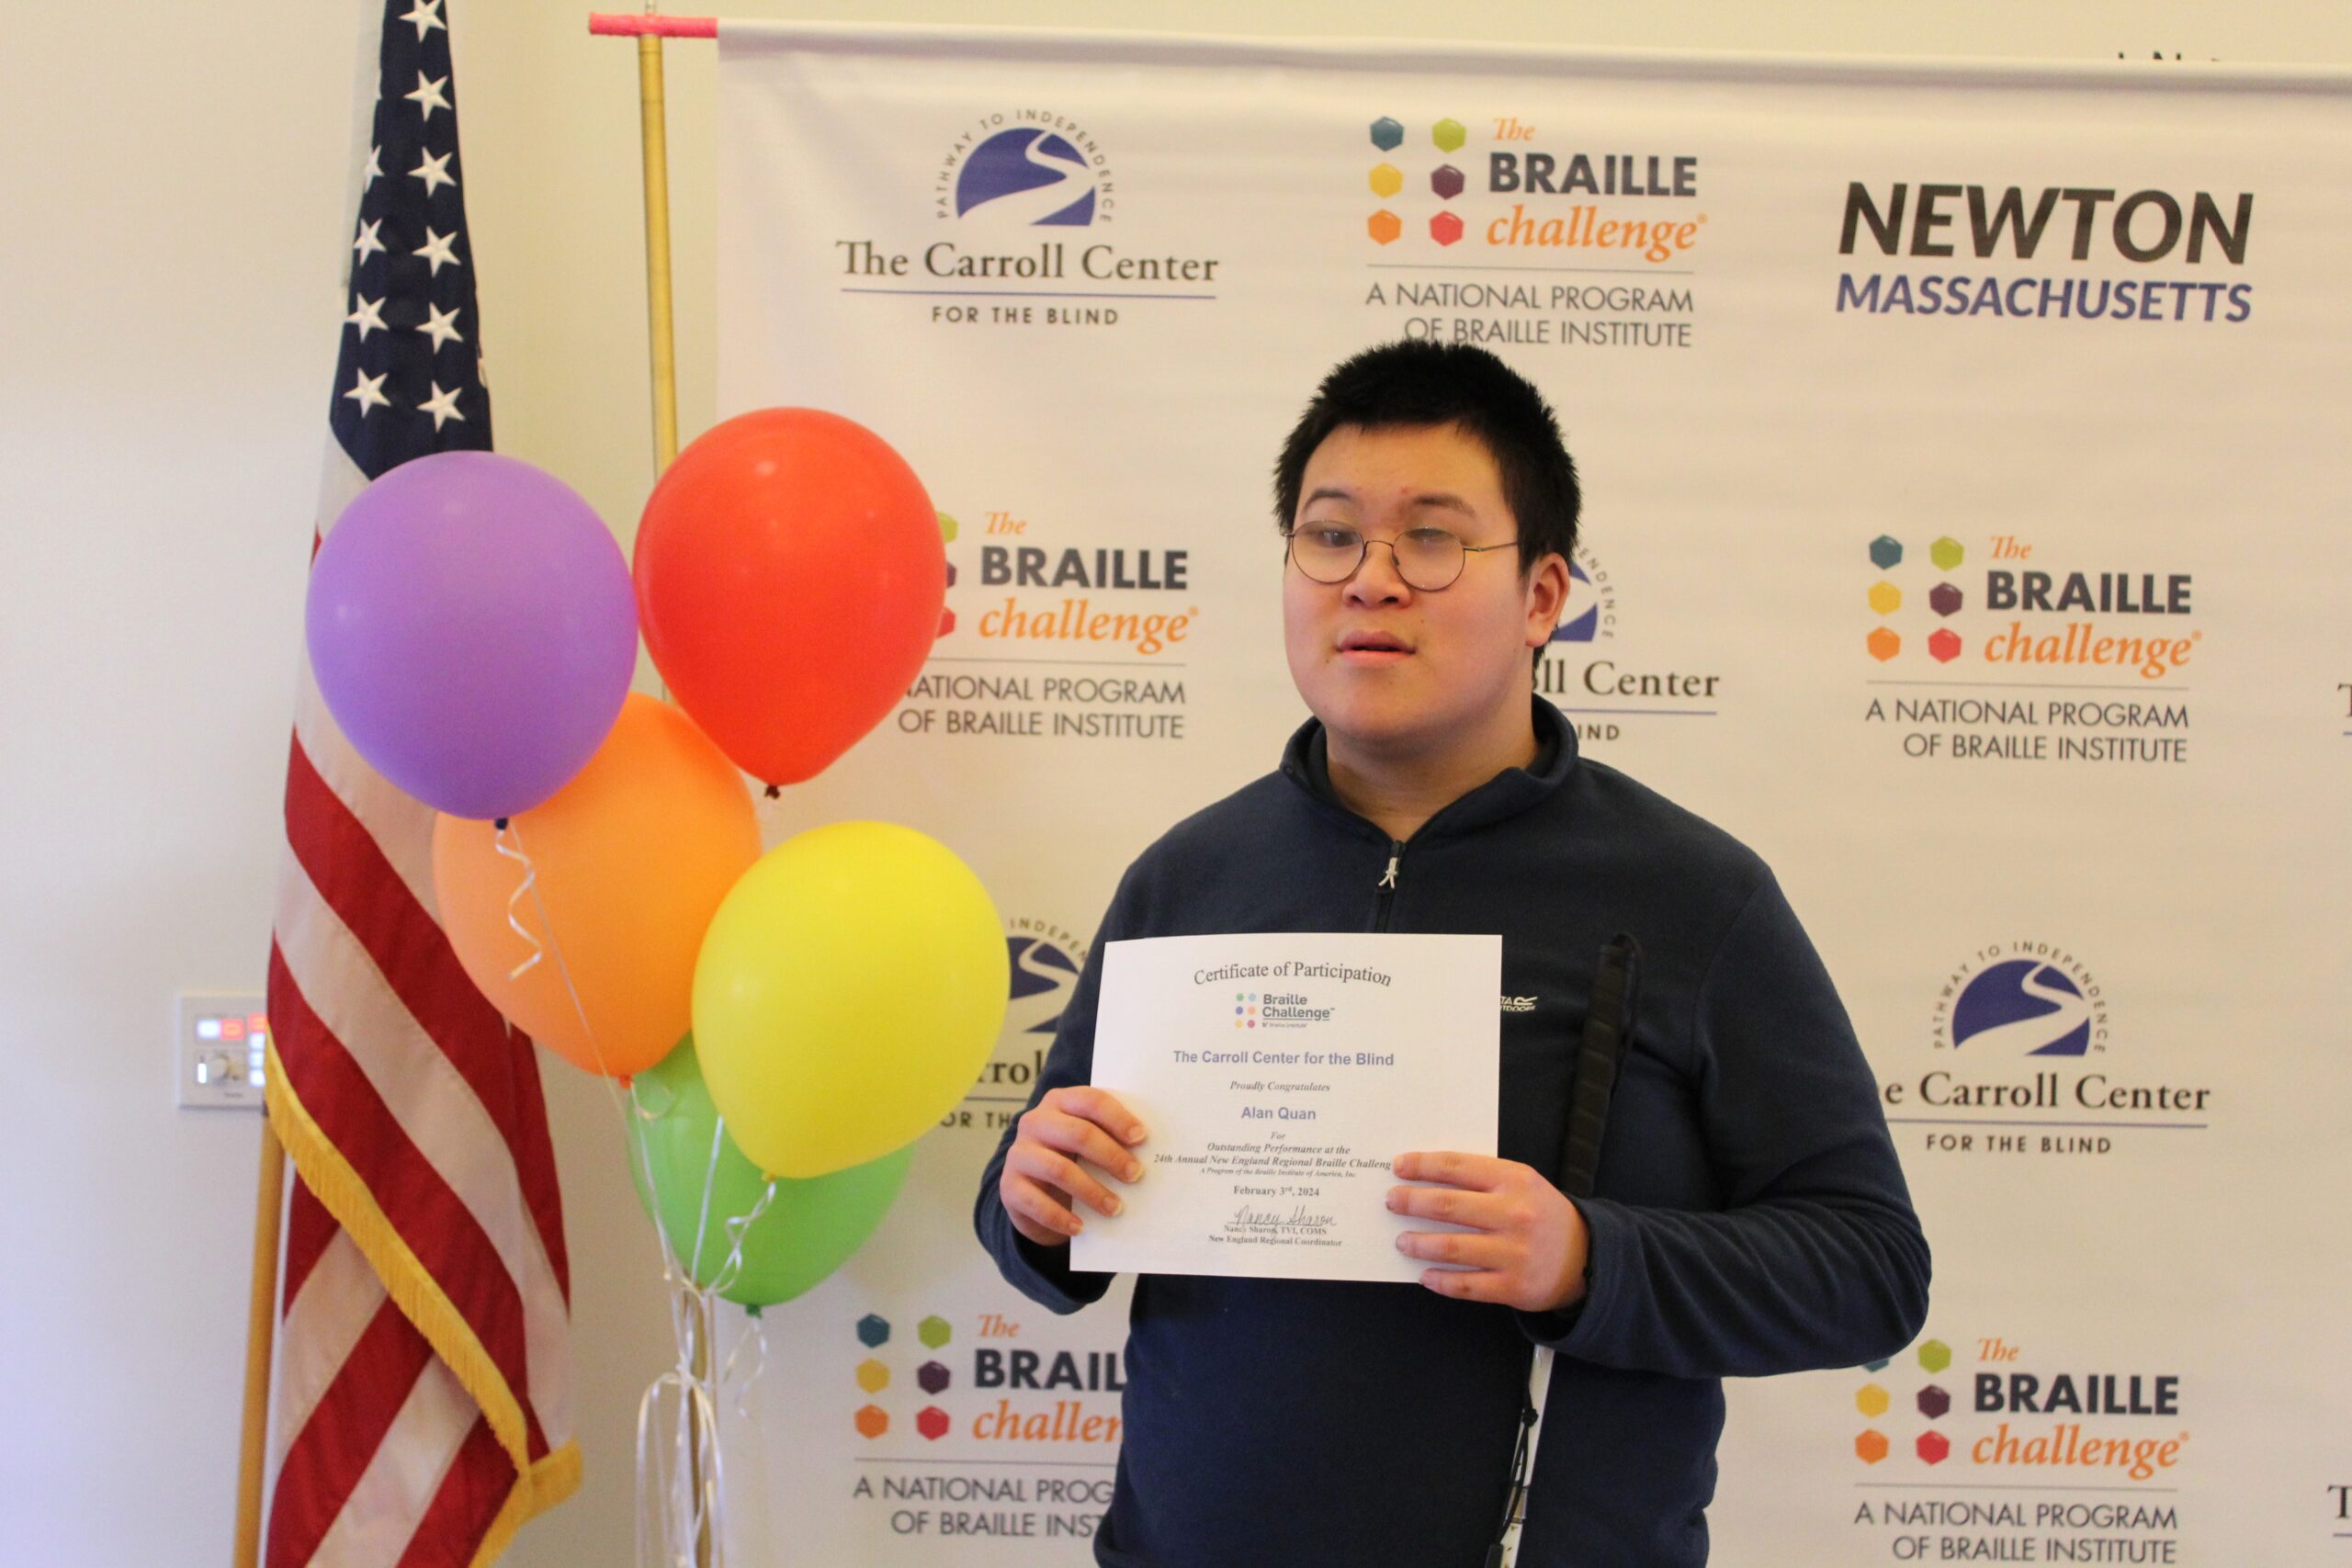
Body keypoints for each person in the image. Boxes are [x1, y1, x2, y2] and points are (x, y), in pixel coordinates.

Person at [974, 340, 1929, 1567]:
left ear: (1543, 595)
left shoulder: (1693, 895)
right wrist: (1034, 1200)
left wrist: (1589, 1257)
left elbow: (1871, 1269)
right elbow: (1046, 1231)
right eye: (1330, 537)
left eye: (1432, 540)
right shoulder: (1187, 878)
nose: (1370, 581)